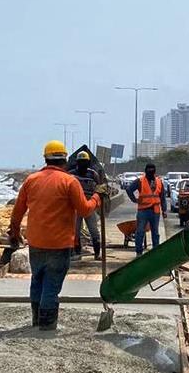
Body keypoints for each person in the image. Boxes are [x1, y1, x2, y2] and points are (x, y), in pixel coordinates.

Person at [9, 140, 102, 331]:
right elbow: (84, 210)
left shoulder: (31, 180)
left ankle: (36, 319)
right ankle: (47, 324)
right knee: (51, 283)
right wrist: (97, 198)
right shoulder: (69, 182)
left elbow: (17, 211)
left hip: (35, 241)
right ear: (65, 160)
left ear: (45, 159)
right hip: (59, 244)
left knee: (37, 279)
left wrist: (14, 233)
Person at [125, 162, 166, 256]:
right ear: (146, 171)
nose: (151, 172)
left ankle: (156, 252)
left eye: (152, 170)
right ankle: (139, 252)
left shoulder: (159, 182)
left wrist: (164, 210)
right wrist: (134, 200)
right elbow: (129, 189)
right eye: (149, 170)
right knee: (140, 231)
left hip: (155, 211)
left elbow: (162, 197)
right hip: (143, 210)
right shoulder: (140, 181)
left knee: (155, 232)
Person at [68, 151, 102, 260]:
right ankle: (77, 253)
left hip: (89, 205)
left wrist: (99, 198)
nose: (83, 164)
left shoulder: (93, 174)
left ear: (88, 163)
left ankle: (97, 253)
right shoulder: (71, 175)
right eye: (81, 162)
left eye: (85, 162)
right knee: (75, 231)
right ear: (77, 162)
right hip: (75, 207)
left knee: (94, 231)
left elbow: (99, 188)